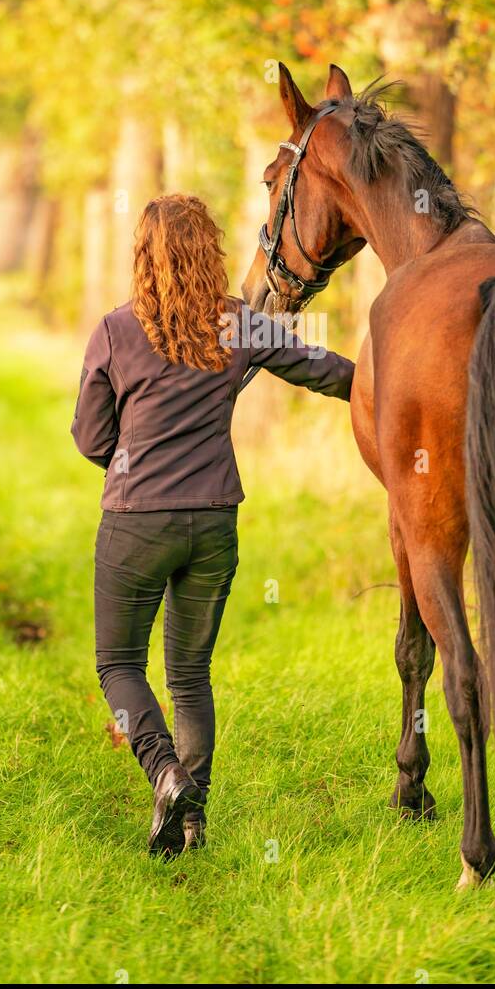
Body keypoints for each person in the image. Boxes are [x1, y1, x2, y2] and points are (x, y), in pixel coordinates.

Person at [72, 194, 354, 857]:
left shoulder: (115, 331)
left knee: (116, 665)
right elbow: (323, 372)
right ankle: (191, 823)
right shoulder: (239, 327)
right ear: (211, 254)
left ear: (143, 256)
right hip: (214, 523)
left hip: (136, 522)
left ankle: (165, 777)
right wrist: (396, 381)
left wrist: (132, 464)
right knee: (190, 676)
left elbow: (90, 437)